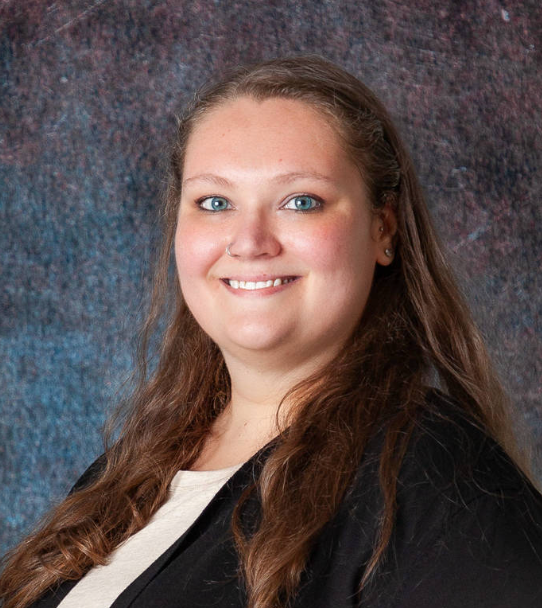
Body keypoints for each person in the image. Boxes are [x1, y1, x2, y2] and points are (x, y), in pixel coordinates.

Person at [1, 55, 541, 608]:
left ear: (384, 228)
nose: (250, 240)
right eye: (215, 203)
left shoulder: (433, 474)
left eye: (300, 201)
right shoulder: (130, 475)